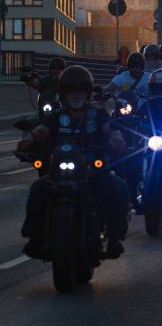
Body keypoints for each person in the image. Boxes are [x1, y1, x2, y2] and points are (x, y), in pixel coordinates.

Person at [19, 66, 130, 259]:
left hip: (92, 171)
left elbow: (110, 129)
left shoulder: (97, 114)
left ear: (87, 92)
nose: (76, 95)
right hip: (60, 172)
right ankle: (35, 239)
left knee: (119, 188)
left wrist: (117, 138)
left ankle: (114, 238)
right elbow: (43, 130)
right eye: (71, 90)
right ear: (63, 93)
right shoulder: (58, 115)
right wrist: (29, 139)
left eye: (80, 90)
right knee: (37, 188)